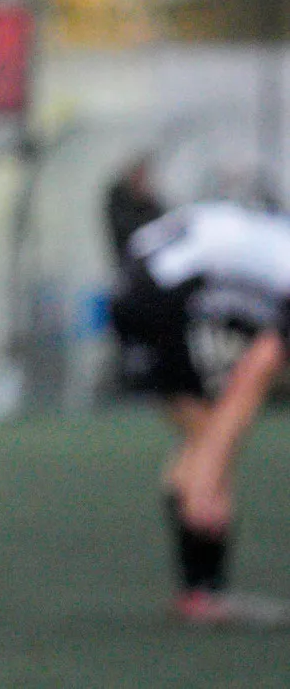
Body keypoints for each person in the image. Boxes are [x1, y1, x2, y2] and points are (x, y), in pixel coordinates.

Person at [109, 200, 290, 627]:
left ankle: (199, 591)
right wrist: (216, 461)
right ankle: (205, 587)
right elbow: (260, 366)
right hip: (166, 296)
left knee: (200, 439)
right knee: (212, 446)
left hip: (135, 283)